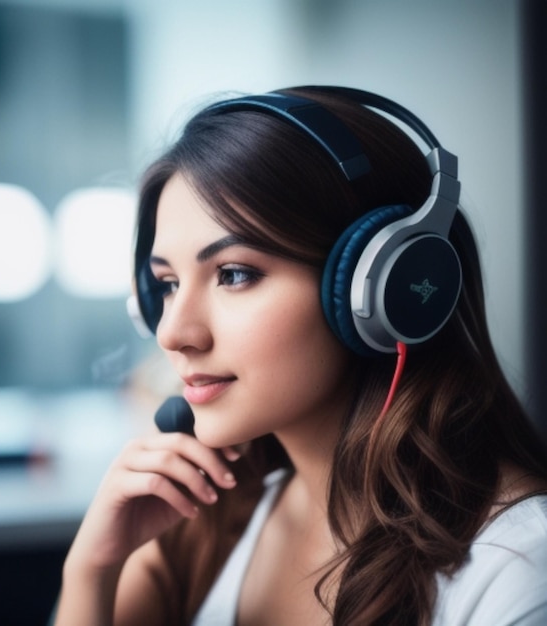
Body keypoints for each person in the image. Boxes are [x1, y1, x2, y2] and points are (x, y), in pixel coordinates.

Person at [54, 86, 547, 626]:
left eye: (233, 274)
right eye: (167, 284)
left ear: (383, 286)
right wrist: (91, 571)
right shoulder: (201, 519)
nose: (172, 333)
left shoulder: (519, 570)